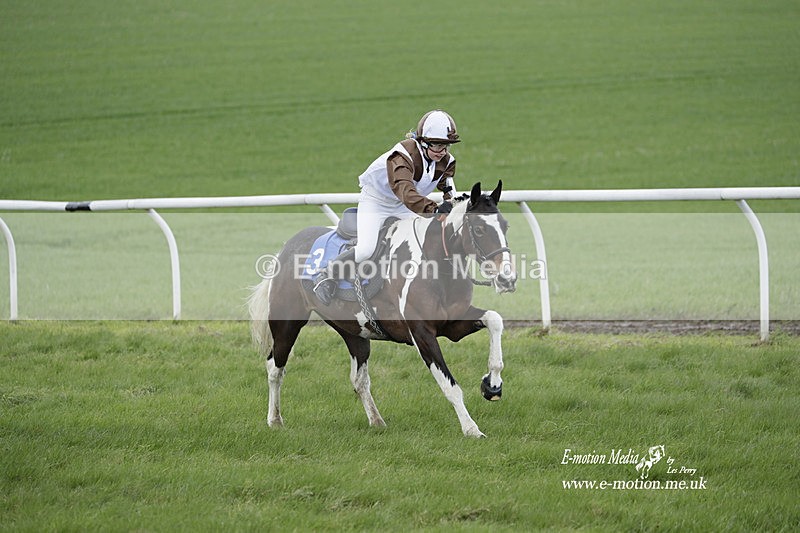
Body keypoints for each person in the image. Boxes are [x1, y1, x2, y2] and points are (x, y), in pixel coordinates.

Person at [314, 109, 460, 305]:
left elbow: (447, 185)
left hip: (405, 204)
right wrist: (434, 209)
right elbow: (405, 191)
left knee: (420, 242)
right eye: (437, 145)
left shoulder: (446, 160)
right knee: (366, 249)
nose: (442, 151)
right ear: (423, 142)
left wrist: (454, 203)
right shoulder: (402, 156)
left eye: (446, 146)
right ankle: (327, 274)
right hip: (377, 201)